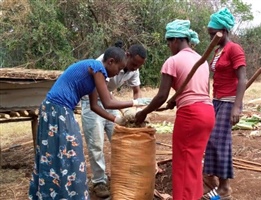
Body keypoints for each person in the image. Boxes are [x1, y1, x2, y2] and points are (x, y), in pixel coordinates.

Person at [28, 46, 148, 200]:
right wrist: (134, 102)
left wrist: (115, 119)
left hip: (58, 110)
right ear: (111, 61)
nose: (119, 73)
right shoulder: (97, 68)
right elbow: (108, 102)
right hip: (57, 110)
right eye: (119, 68)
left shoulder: (94, 74)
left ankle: (58, 194)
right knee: (69, 153)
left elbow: (95, 106)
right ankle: (65, 194)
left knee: (58, 153)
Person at [135, 19, 215, 200]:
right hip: (207, 113)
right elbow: (200, 92)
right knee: (193, 163)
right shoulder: (200, 60)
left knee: (183, 164)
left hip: (191, 116)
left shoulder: (173, 61)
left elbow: (161, 96)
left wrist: (143, 112)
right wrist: (176, 99)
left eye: (169, 43)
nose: (169, 47)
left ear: (176, 40)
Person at [81, 41, 151, 198]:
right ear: (127, 55)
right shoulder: (103, 62)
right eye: (133, 64)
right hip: (92, 101)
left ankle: (124, 174)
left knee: (121, 138)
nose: (134, 68)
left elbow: (136, 91)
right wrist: (129, 107)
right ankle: (99, 181)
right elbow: (102, 101)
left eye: (138, 66)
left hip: (109, 100)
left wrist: (137, 112)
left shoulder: (134, 69)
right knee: (96, 143)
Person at [202, 7, 247, 200]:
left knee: (220, 142)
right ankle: (216, 183)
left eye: (214, 34)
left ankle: (225, 188)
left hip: (229, 102)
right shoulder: (218, 50)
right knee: (212, 140)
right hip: (217, 100)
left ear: (224, 31)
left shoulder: (234, 49)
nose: (212, 37)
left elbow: (243, 79)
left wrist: (237, 107)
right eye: (210, 34)